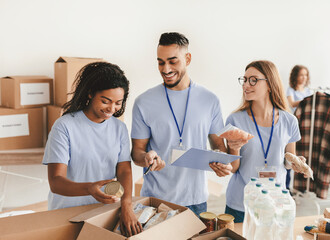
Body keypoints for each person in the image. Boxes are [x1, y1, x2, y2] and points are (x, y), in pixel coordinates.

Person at [131, 32, 231, 217]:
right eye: (160, 62)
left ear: (187, 58)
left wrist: (221, 165)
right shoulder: (144, 102)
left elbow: (219, 148)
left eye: (173, 61)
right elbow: (136, 152)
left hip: (196, 201)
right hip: (155, 200)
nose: (166, 69)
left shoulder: (210, 100)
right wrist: (146, 158)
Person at [43, 62, 141, 236]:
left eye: (118, 103)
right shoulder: (64, 126)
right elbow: (56, 182)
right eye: (105, 101)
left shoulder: (119, 128)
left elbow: (124, 170)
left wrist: (126, 205)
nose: (112, 109)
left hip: (103, 213)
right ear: (90, 93)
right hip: (66, 215)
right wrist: (89, 188)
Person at [224, 60, 302, 223]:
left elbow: (288, 161)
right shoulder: (235, 120)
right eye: (244, 80)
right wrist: (233, 148)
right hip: (241, 203)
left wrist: (296, 162)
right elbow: (233, 168)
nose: (246, 85)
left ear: (269, 84)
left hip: (276, 202)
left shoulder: (290, 121)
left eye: (253, 80)